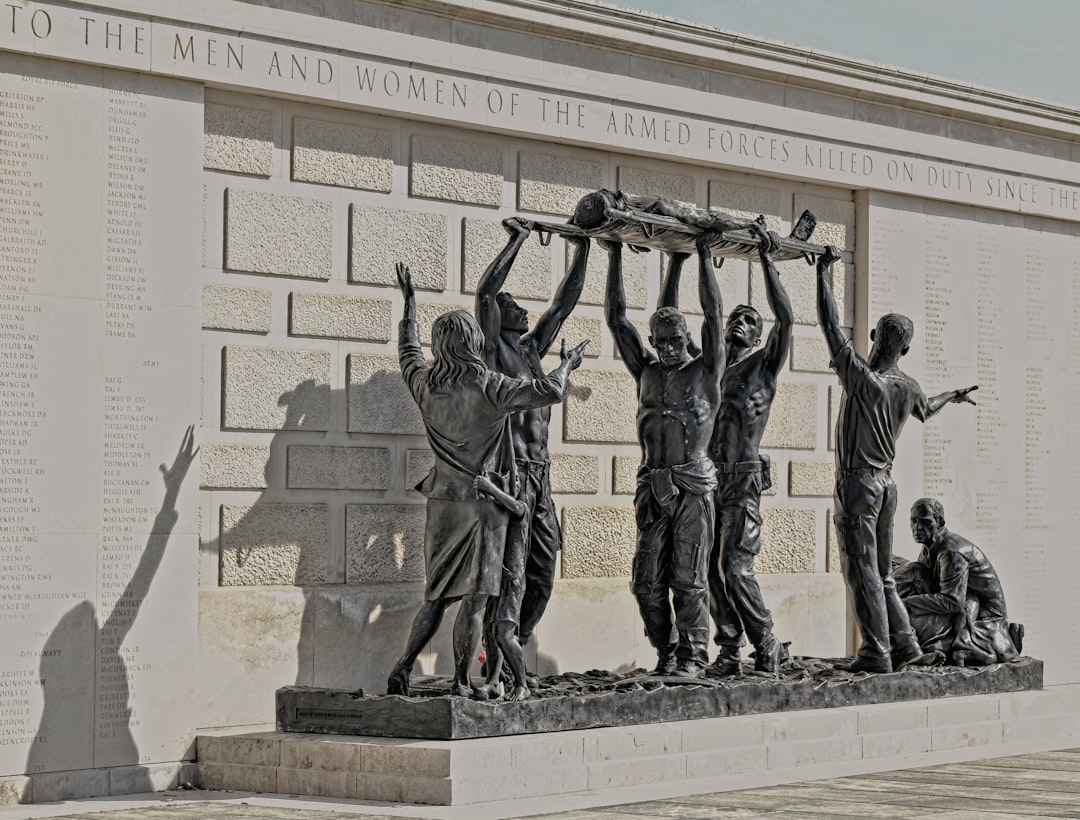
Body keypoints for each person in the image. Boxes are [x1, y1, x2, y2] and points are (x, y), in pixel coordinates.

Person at [386, 262, 588, 700]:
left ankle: (402, 666)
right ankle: (462, 680)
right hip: (484, 507)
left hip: (442, 503)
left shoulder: (425, 386)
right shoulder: (489, 386)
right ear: (474, 343)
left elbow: (407, 352)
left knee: (437, 597)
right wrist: (567, 365)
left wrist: (410, 304)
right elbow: (551, 391)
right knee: (476, 600)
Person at [816, 245, 978, 673]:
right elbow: (928, 409)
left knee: (861, 571)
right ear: (905, 350)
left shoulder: (863, 379)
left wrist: (823, 273)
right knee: (884, 573)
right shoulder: (908, 387)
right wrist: (953, 395)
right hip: (887, 486)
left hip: (859, 485)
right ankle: (906, 647)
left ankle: (876, 651)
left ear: (873, 337)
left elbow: (830, 326)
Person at [657, 235, 792, 676]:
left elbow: (786, 319)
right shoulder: (708, 367)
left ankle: (767, 641)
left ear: (757, 335)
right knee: (707, 571)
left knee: (735, 568)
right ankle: (730, 648)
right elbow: (669, 319)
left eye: (749, 320)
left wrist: (767, 260)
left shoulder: (764, 365)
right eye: (735, 316)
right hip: (711, 479)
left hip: (744, 479)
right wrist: (677, 262)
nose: (739, 322)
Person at [474, 217, 590, 699]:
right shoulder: (490, 352)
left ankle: (513, 649)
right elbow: (485, 292)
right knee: (512, 575)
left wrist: (583, 247)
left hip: (542, 477)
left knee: (543, 568)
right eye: (513, 306)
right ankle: (497, 665)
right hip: (512, 474)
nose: (523, 309)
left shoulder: (531, 350)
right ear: (498, 318)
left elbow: (564, 303)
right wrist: (517, 240)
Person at [603, 231, 727, 678]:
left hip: (692, 485)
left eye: (675, 340)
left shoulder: (706, 371)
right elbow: (617, 318)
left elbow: (714, 314)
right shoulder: (646, 372)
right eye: (661, 341)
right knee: (645, 583)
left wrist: (705, 255)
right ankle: (667, 650)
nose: (669, 348)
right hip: (652, 485)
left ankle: (693, 656)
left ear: (687, 337)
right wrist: (615, 252)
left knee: (688, 579)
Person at [897, 498, 1022, 666]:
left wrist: (906, 604)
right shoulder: (929, 549)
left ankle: (951, 647)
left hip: (981, 618)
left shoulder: (952, 551)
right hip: (959, 608)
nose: (917, 527)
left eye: (925, 522)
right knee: (911, 574)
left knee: (907, 617)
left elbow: (953, 601)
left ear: (940, 522)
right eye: (913, 521)